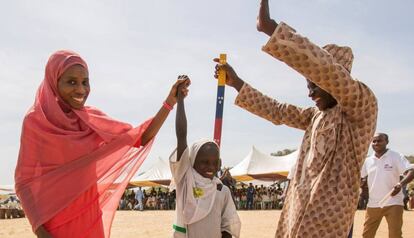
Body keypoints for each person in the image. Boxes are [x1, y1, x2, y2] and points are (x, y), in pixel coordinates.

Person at [213, 0, 378, 236]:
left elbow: (329, 72)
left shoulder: (361, 108)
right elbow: (277, 111)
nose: (310, 92)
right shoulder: (315, 116)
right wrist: (236, 82)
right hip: (298, 209)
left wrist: (270, 28)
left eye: (315, 84)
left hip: (329, 219)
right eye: (307, 85)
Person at [15, 50, 189, 238]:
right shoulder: (36, 121)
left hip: (90, 221)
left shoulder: (91, 119)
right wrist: (40, 231)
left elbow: (141, 137)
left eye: (85, 82)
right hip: (54, 226)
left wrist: (170, 101)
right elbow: (24, 183)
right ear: (53, 82)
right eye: (71, 82)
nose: (81, 90)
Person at [169, 77, 241, 238]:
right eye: (204, 162)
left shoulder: (222, 191)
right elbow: (181, 136)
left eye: (214, 163)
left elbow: (228, 224)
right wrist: (180, 100)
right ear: (192, 161)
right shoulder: (184, 179)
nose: (210, 167)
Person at [361, 133, 414, 238]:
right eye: (374, 141)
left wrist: (400, 184)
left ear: (387, 142)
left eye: (379, 141)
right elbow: (361, 178)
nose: (376, 143)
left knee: (395, 235)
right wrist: (363, 187)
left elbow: (411, 171)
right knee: (367, 234)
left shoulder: (396, 156)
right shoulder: (368, 161)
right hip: (373, 204)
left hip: (393, 202)